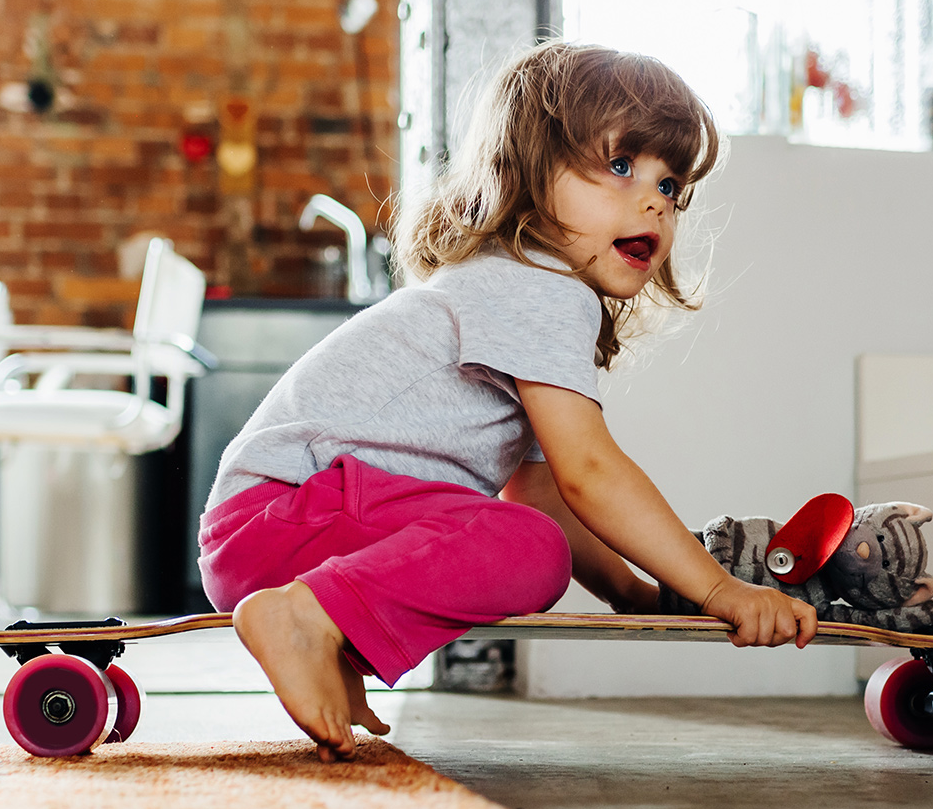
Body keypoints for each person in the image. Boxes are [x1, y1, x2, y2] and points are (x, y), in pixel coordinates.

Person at [198, 40, 817, 762]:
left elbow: (546, 490)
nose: (653, 200)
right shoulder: (540, 288)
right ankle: (306, 617)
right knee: (529, 552)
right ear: (527, 174)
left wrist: (638, 596)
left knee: (527, 535)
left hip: (277, 525)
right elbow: (589, 471)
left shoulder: (520, 285)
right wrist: (719, 590)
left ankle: (320, 623)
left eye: (670, 184)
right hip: (289, 518)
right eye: (619, 166)